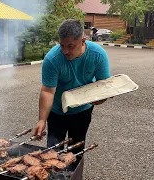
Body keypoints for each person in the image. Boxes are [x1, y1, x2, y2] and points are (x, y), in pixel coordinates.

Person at [33, 19, 111, 157]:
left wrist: (102, 98)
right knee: (53, 152)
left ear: (83, 41)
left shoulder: (98, 55)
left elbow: (104, 85)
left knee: (76, 150)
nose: (65, 51)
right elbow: (47, 91)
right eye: (62, 45)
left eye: (70, 46)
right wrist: (42, 120)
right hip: (57, 111)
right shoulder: (53, 59)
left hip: (83, 110)